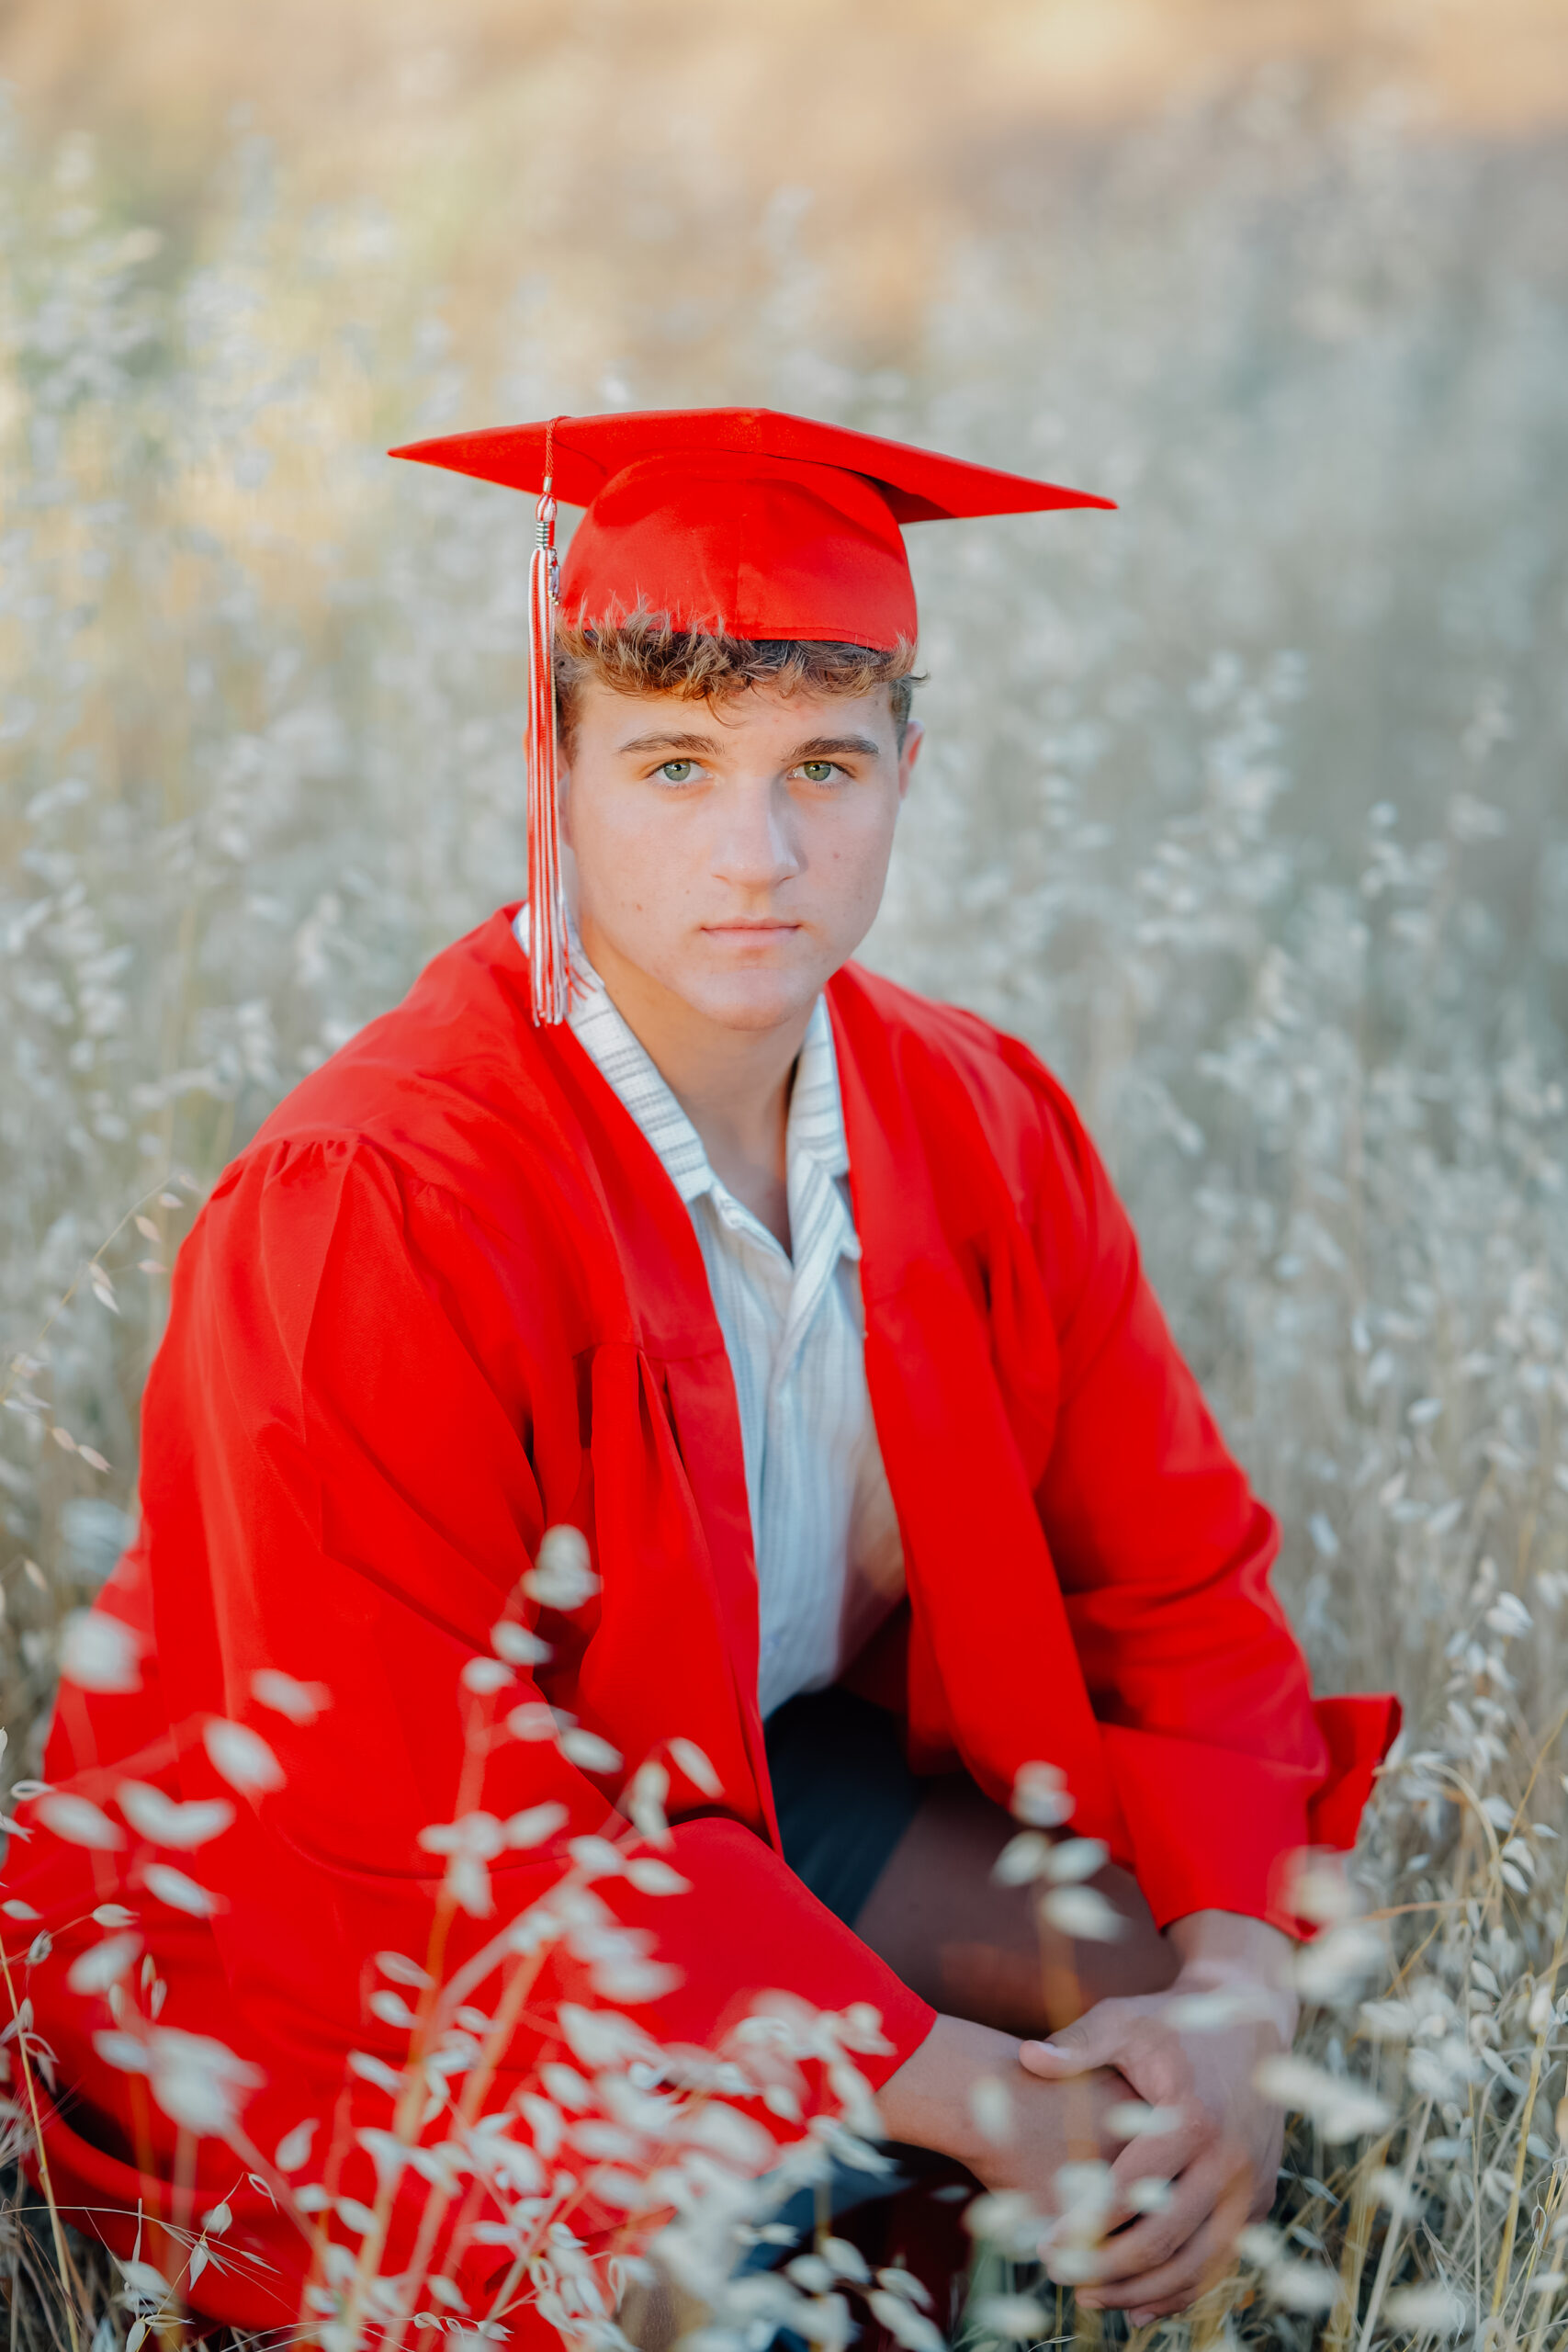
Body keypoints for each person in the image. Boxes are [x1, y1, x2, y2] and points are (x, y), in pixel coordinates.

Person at [6, 409, 1396, 2340]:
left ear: (910, 766)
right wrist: (955, 2086)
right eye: (674, 765)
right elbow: (414, 1804)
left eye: (822, 765)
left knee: (1167, 1989)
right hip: (368, 1914)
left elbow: (1174, 1587)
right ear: (554, 766)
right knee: (680, 2243)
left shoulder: (978, 1120)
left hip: (741, 1791)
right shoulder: (379, 1198)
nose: (756, 851)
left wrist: (1236, 1993)